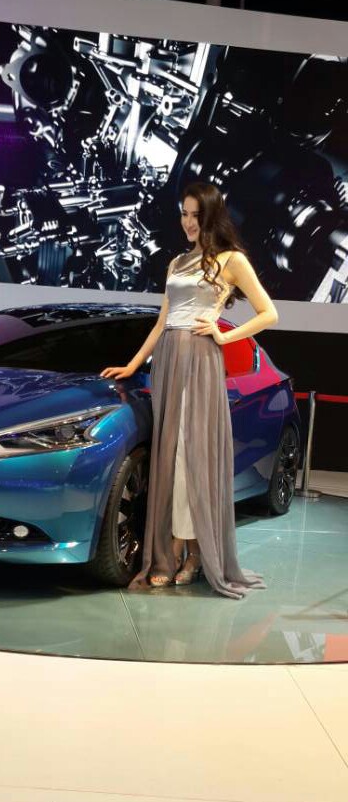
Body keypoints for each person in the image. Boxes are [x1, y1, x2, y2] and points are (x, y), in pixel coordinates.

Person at [100, 181, 278, 599]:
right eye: (184, 213)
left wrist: (223, 335)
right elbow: (163, 322)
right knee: (170, 454)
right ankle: (172, 553)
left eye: (196, 214)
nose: (189, 221)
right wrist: (134, 364)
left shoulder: (232, 260)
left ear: (212, 214)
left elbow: (269, 312)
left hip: (200, 359)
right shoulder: (177, 262)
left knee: (191, 453)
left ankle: (191, 551)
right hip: (168, 360)